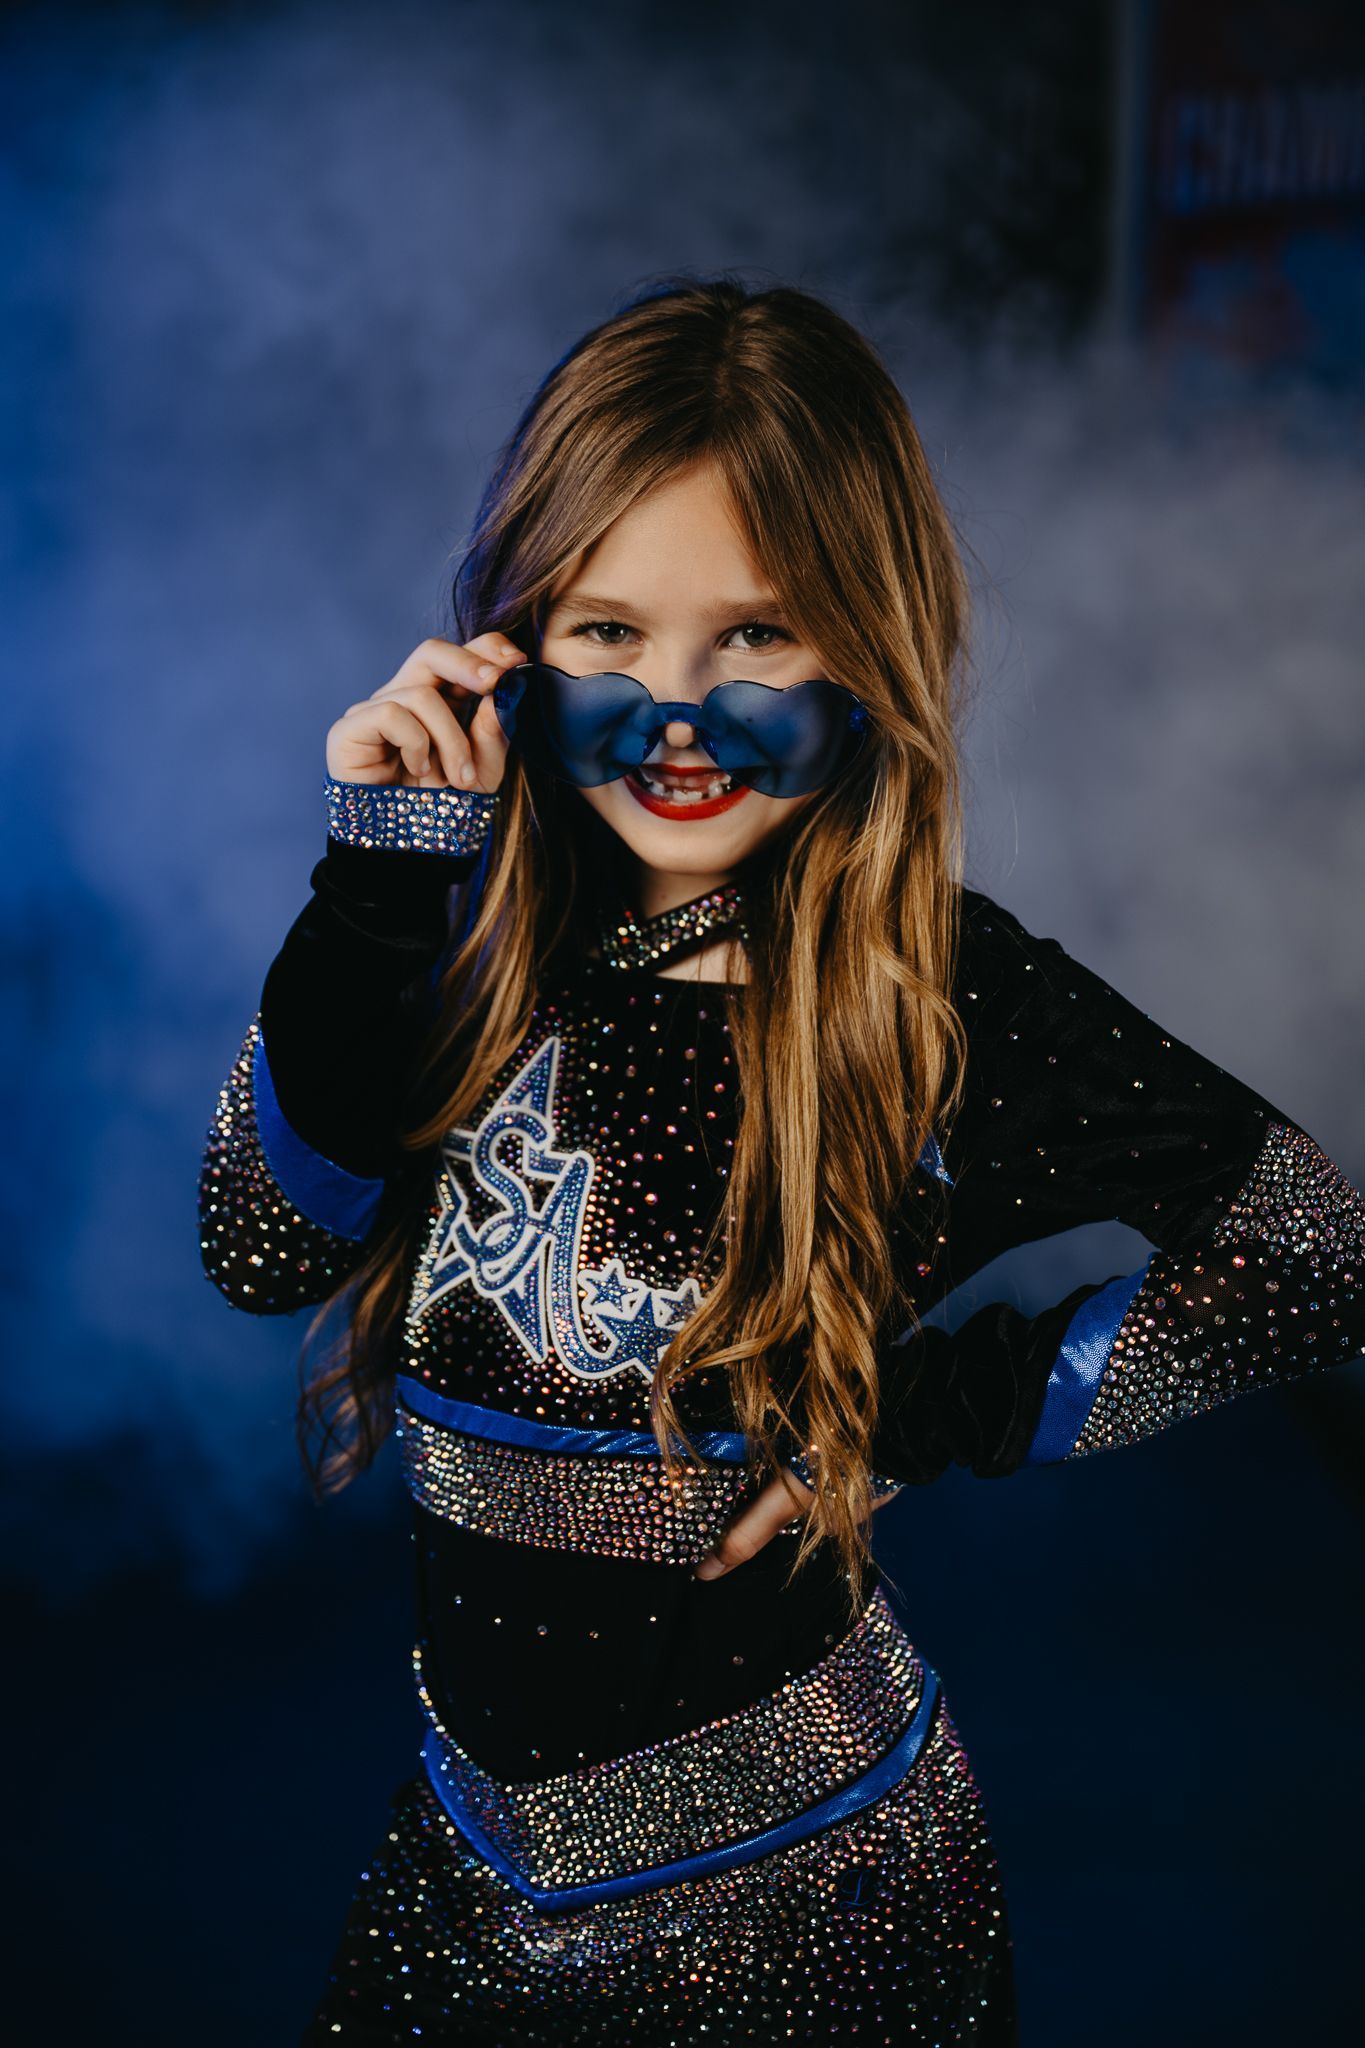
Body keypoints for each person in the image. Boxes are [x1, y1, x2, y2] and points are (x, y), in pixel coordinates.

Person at [198, 277, 1365, 2046]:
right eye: (605, 632)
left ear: (861, 646)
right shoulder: (444, 937)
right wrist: (371, 884)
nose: (679, 713)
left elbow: (1314, 1253)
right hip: (465, 1876)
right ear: (508, 642)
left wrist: (919, 1415)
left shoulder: (934, 992)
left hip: (811, 1901)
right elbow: (261, 1248)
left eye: (753, 636)